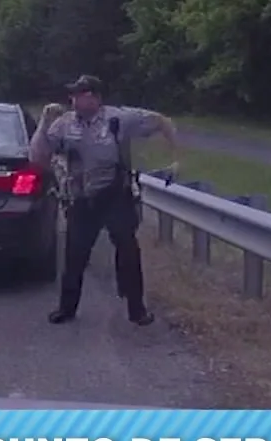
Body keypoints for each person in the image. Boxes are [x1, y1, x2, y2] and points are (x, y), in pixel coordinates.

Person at [29, 75, 180, 326]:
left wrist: (176, 159)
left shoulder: (119, 118)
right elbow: (37, 156)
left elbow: (163, 121)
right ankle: (66, 308)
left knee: (128, 251)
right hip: (82, 198)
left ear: (96, 98)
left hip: (114, 195)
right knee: (75, 255)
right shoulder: (65, 124)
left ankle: (137, 310)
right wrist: (45, 123)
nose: (74, 99)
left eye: (80, 94)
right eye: (73, 95)